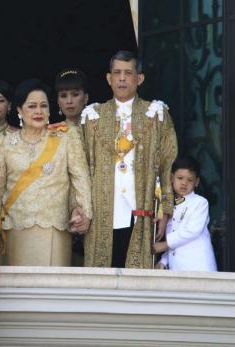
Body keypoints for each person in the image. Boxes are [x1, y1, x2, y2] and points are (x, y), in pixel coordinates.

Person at [82, 50, 178, 268]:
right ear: (109, 78)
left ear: (139, 78)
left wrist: (166, 209)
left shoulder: (156, 114)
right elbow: (83, 169)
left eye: (128, 73)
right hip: (102, 212)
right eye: (117, 73)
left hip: (142, 209)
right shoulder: (92, 116)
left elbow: (167, 164)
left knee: (138, 287)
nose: (122, 78)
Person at [0, 79, 92, 266]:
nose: (38, 111)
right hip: (15, 227)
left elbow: (81, 179)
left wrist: (85, 214)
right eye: (32, 106)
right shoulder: (4, 144)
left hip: (54, 228)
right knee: (20, 289)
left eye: (43, 106)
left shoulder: (65, 138)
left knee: (53, 290)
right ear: (19, 110)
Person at [153, 156, 217, 271]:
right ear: (172, 178)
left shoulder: (200, 202)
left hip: (200, 267)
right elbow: (176, 240)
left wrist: (164, 245)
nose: (184, 183)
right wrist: (163, 261)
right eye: (180, 178)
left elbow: (191, 231)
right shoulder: (171, 206)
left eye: (190, 180)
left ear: (196, 182)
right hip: (178, 268)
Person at [54, 68, 90, 266]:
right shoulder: (52, 133)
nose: (69, 101)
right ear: (57, 101)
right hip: (63, 210)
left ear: (86, 98)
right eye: (63, 95)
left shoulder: (98, 131)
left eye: (75, 95)